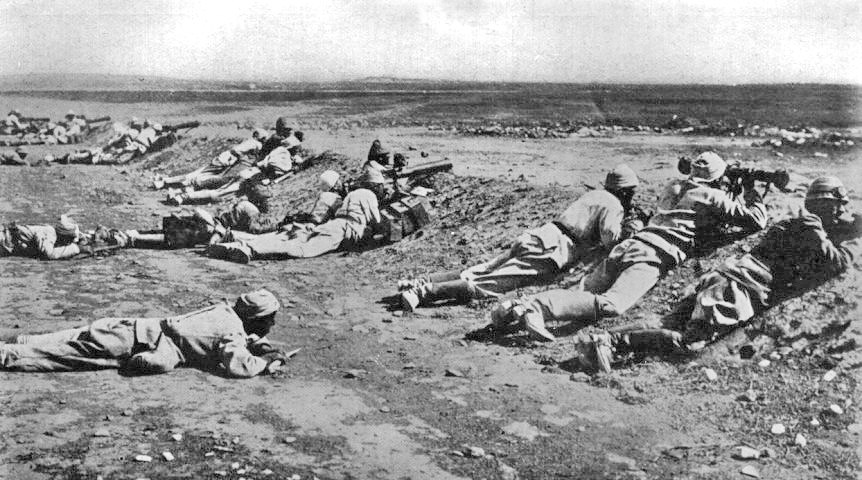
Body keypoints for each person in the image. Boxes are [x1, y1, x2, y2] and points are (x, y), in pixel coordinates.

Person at [576, 176, 862, 373]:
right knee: (691, 343)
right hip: (738, 288)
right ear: (824, 204)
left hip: (725, 278)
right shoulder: (811, 227)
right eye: (839, 204)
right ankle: (612, 343)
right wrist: (854, 236)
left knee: (666, 320)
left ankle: (599, 338)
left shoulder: (794, 223)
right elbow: (836, 261)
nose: (844, 209)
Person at [490, 152, 768, 341]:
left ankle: (517, 308)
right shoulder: (713, 195)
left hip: (628, 246)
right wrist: (752, 194)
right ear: (717, 178)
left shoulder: (673, 187)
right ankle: (537, 307)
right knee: (612, 304)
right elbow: (756, 220)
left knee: (581, 292)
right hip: (653, 254)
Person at [398, 164, 644, 312]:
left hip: (540, 235)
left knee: (482, 269)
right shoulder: (614, 204)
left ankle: (419, 281)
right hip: (554, 249)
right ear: (623, 190)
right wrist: (632, 228)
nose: (631, 198)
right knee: (489, 285)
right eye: (630, 193)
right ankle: (424, 292)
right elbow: (611, 240)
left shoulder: (596, 195)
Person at [0, 289, 291, 377]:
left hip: (127, 326)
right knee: (57, 357)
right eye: (270, 319)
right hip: (127, 343)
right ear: (256, 318)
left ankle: (20, 342)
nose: (272, 325)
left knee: (64, 338)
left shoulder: (223, 311)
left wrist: (252, 341)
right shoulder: (233, 333)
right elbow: (237, 364)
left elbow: (215, 334)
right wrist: (266, 362)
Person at [206, 168, 386, 263]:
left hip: (331, 225)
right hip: (342, 229)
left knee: (287, 238)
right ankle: (248, 249)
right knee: (302, 249)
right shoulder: (368, 195)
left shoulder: (352, 194)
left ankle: (239, 241)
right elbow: (377, 222)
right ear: (375, 185)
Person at [153, 128, 269, 190]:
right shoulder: (255, 144)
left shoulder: (250, 141)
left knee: (198, 173)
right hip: (228, 159)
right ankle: (167, 182)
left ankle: (166, 181)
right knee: (198, 175)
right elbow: (238, 151)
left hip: (225, 157)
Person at [0, 215, 84, 260]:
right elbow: (49, 254)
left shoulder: (52, 232)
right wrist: (75, 248)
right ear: (64, 236)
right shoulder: (49, 233)